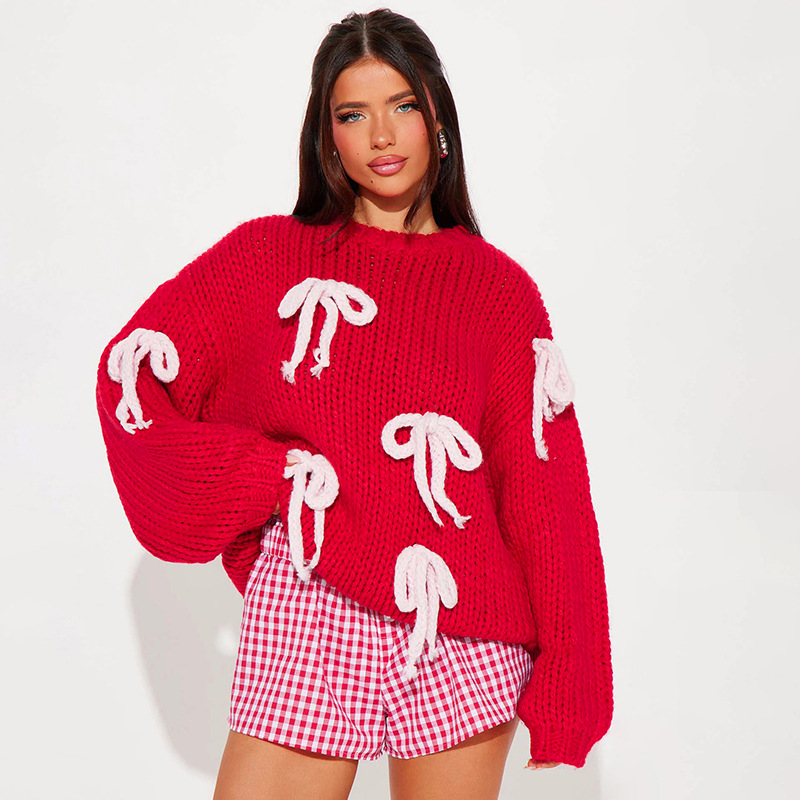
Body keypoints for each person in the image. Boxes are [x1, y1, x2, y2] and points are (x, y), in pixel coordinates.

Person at [95, 8, 613, 799]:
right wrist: (263, 475)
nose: (381, 135)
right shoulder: (267, 259)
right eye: (352, 114)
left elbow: (547, 496)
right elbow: (133, 376)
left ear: (438, 118)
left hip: (466, 625)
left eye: (402, 105)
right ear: (326, 135)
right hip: (313, 601)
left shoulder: (501, 293)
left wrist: (571, 690)